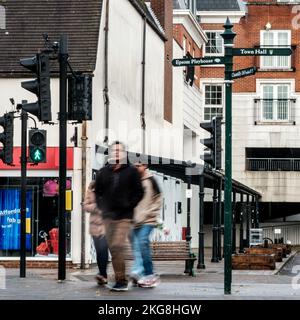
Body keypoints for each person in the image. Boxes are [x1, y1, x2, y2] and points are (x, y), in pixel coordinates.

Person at [94, 141, 144, 291]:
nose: (116, 153)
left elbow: (139, 192)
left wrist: (130, 204)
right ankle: (120, 279)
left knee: (117, 245)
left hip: (124, 216)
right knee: (113, 248)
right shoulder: (103, 172)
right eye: (113, 150)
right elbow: (98, 192)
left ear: (124, 154)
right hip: (108, 216)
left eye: (119, 150)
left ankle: (121, 281)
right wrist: (102, 207)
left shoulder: (132, 171)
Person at [130, 163, 162, 288]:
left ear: (145, 166)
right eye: (135, 165)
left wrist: (150, 212)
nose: (136, 168)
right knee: (137, 248)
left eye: (139, 165)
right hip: (135, 220)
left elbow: (158, 199)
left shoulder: (152, 181)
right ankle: (140, 273)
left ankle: (150, 275)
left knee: (143, 242)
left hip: (148, 220)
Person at [83, 181, 108, 285]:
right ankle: (102, 273)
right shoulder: (91, 190)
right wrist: (96, 206)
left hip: (106, 224)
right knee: (99, 250)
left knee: (103, 248)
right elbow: (85, 206)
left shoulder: (109, 188)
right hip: (94, 225)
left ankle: (103, 274)